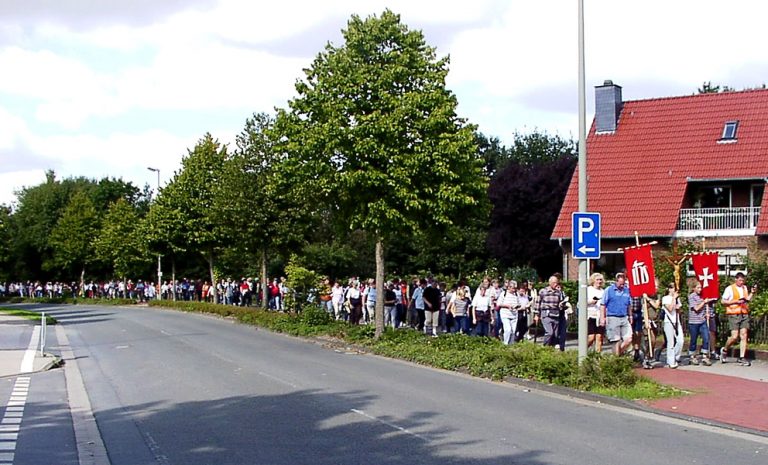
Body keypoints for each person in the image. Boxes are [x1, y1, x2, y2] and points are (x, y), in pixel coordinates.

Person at [720, 272, 756, 366]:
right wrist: (735, 301)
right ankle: (725, 349)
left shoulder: (744, 288)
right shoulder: (730, 288)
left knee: (744, 335)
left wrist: (752, 293)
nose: (741, 282)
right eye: (740, 280)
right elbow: (723, 301)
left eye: (743, 280)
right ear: (736, 279)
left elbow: (747, 299)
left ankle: (742, 357)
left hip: (743, 313)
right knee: (734, 336)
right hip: (733, 313)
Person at [601, 273, 632, 356]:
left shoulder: (626, 290)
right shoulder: (609, 290)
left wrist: (630, 315)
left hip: (624, 317)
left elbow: (629, 304)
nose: (622, 286)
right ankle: (616, 359)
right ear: (616, 281)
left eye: (623, 284)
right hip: (612, 317)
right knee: (616, 340)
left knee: (628, 339)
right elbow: (603, 304)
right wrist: (602, 317)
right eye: (620, 284)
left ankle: (618, 354)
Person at [688, 282, 714, 366]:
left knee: (706, 337)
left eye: (700, 288)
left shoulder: (703, 295)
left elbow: (707, 305)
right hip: (694, 322)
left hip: (702, 320)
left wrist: (707, 311)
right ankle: (692, 355)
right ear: (694, 288)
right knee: (694, 339)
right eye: (698, 288)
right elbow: (696, 308)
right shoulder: (692, 296)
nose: (700, 289)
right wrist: (704, 302)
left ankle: (704, 355)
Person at [536, 276, 566, 347]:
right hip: (546, 314)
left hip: (556, 314)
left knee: (555, 335)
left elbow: (560, 304)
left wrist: (562, 305)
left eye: (557, 283)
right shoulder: (543, 291)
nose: (556, 284)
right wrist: (536, 315)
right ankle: (545, 346)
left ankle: (551, 349)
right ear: (550, 283)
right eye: (554, 283)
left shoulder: (558, 292)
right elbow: (538, 303)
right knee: (549, 332)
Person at [661, 283, 683, 368]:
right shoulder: (665, 298)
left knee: (680, 341)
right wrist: (674, 298)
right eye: (673, 288)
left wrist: (678, 307)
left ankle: (675, 357)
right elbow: (669, 309)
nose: (674, 290)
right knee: (671, 342)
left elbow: (678, 309)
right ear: (669, 289)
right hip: (668, 322)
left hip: (676, 321)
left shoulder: (677, 298)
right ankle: (671, 361)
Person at [497, 281, 524, 345]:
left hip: (514, 315)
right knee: (508, 330)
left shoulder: (516, 294)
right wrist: (507, 306)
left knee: (513, 332)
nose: (514, 289)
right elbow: (498, 304)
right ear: (509, 287)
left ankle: (511, 345)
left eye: (515, 288)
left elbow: (519, 304)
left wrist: (517, 306)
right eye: (513, 288)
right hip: (505, 314)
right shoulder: (504, 293)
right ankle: (505, 344)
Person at [586, 273, 605, 353]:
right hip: (590, 315)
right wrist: (591, 302)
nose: (599, 281)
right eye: (597, 280)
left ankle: (598, 358)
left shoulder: (603, 291)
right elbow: (581, 303)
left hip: (599, 316)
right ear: (593, 281)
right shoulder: (588, 290)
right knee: (591, 337)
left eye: (600, 280)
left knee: (599, 337)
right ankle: (583, 351)